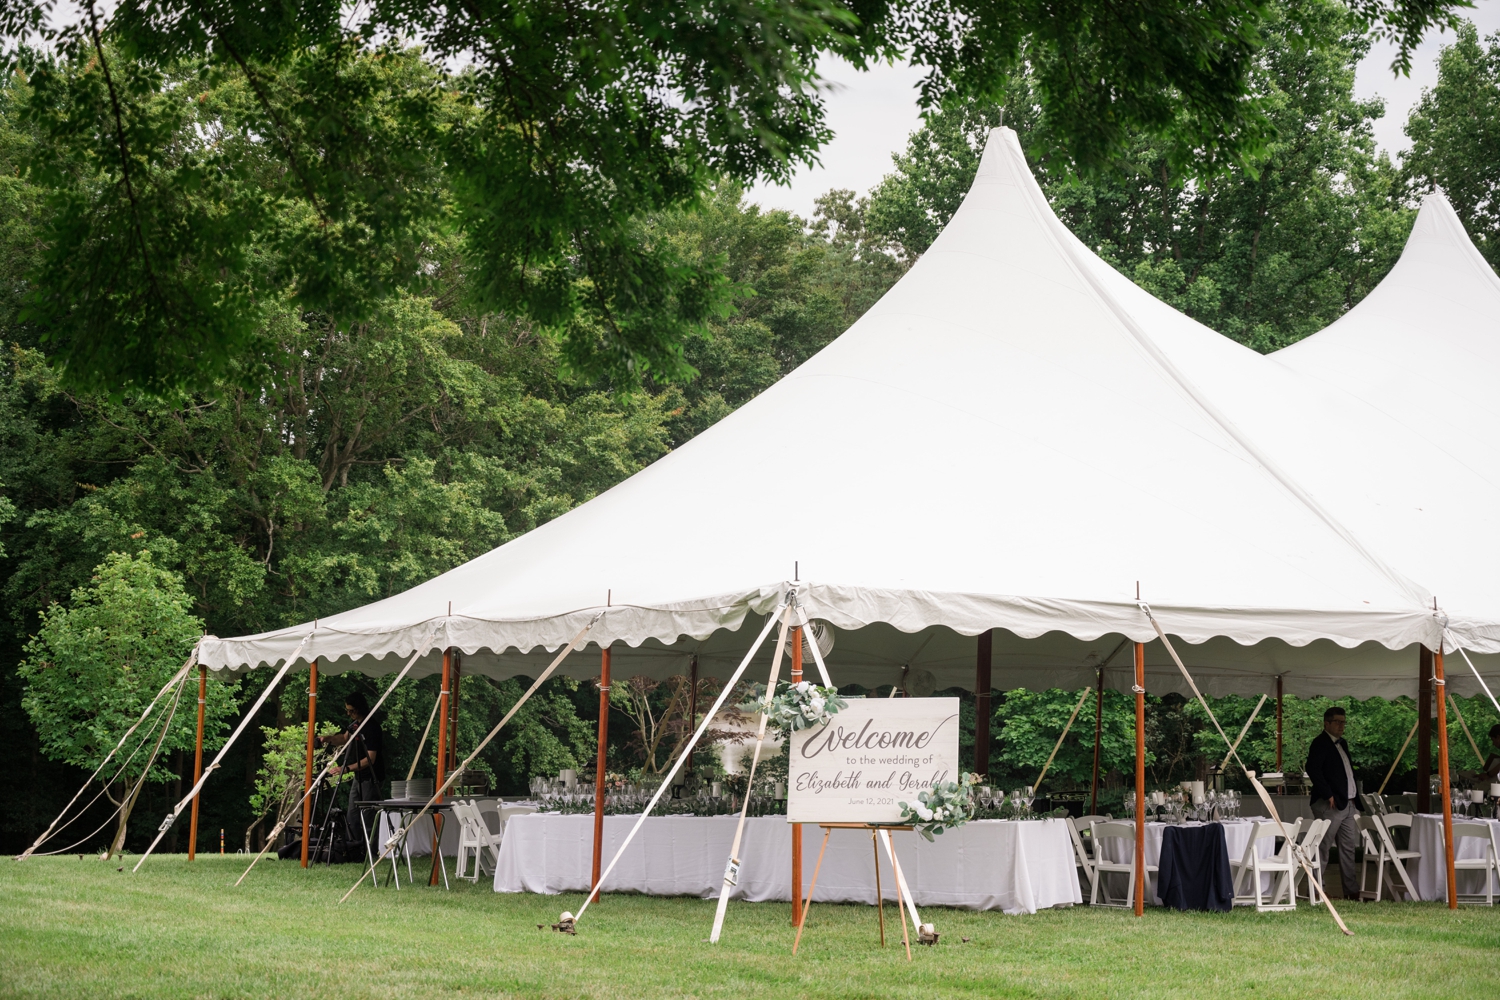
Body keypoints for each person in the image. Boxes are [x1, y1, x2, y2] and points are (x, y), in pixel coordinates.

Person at [1307, 705, 1361, 900]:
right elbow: (1313, 769)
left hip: (1347, 803)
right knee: (1322, 847)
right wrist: (1327, 793)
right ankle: (1317, 889)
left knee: (1348, 848)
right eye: (1337, 722)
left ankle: (1351, 890)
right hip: (1329, 804)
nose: (1341, 725)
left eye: (1343, 722)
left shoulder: (1342, 743)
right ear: (1326, 723)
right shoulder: (1319, 743)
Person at [318, 692, 386, 846]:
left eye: (352, 711)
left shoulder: (372, 727)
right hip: (359, 777)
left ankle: (371, 851)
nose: (349, 714)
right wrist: (325, 739)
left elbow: (370, 758)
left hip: (371, 777)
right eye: (347, 710)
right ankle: (355, 847)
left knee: (368, 816)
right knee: (352, 815)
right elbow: (343, 738)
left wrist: (345, 768)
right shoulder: (354, 726)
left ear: (360, 708)